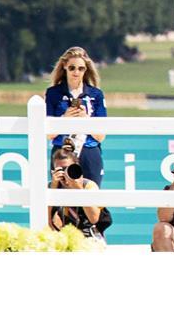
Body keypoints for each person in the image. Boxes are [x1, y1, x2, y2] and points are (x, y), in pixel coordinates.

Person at [44, 46, 108, 186]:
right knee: (61, 197)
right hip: (63, 151)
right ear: (65, 66)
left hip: (89, 150)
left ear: (86, 69)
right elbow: (48, 134)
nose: (76, 72)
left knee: (91, 196)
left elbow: (101, 136)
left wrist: (86, 120)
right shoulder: (53, 93)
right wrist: (64, 119)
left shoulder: (95, 94)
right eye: (72, 68)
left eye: (81, 68)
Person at [49, 146, 108, 243]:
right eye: (60, 169)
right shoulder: (51, 187)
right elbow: (48, 224)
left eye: (68, 168)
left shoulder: (89, 186)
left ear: (76, 167)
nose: (65, 173)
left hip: (89, 238)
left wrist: (78, 189)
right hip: (61, 239)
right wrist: (53, 190)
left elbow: (94, 219)